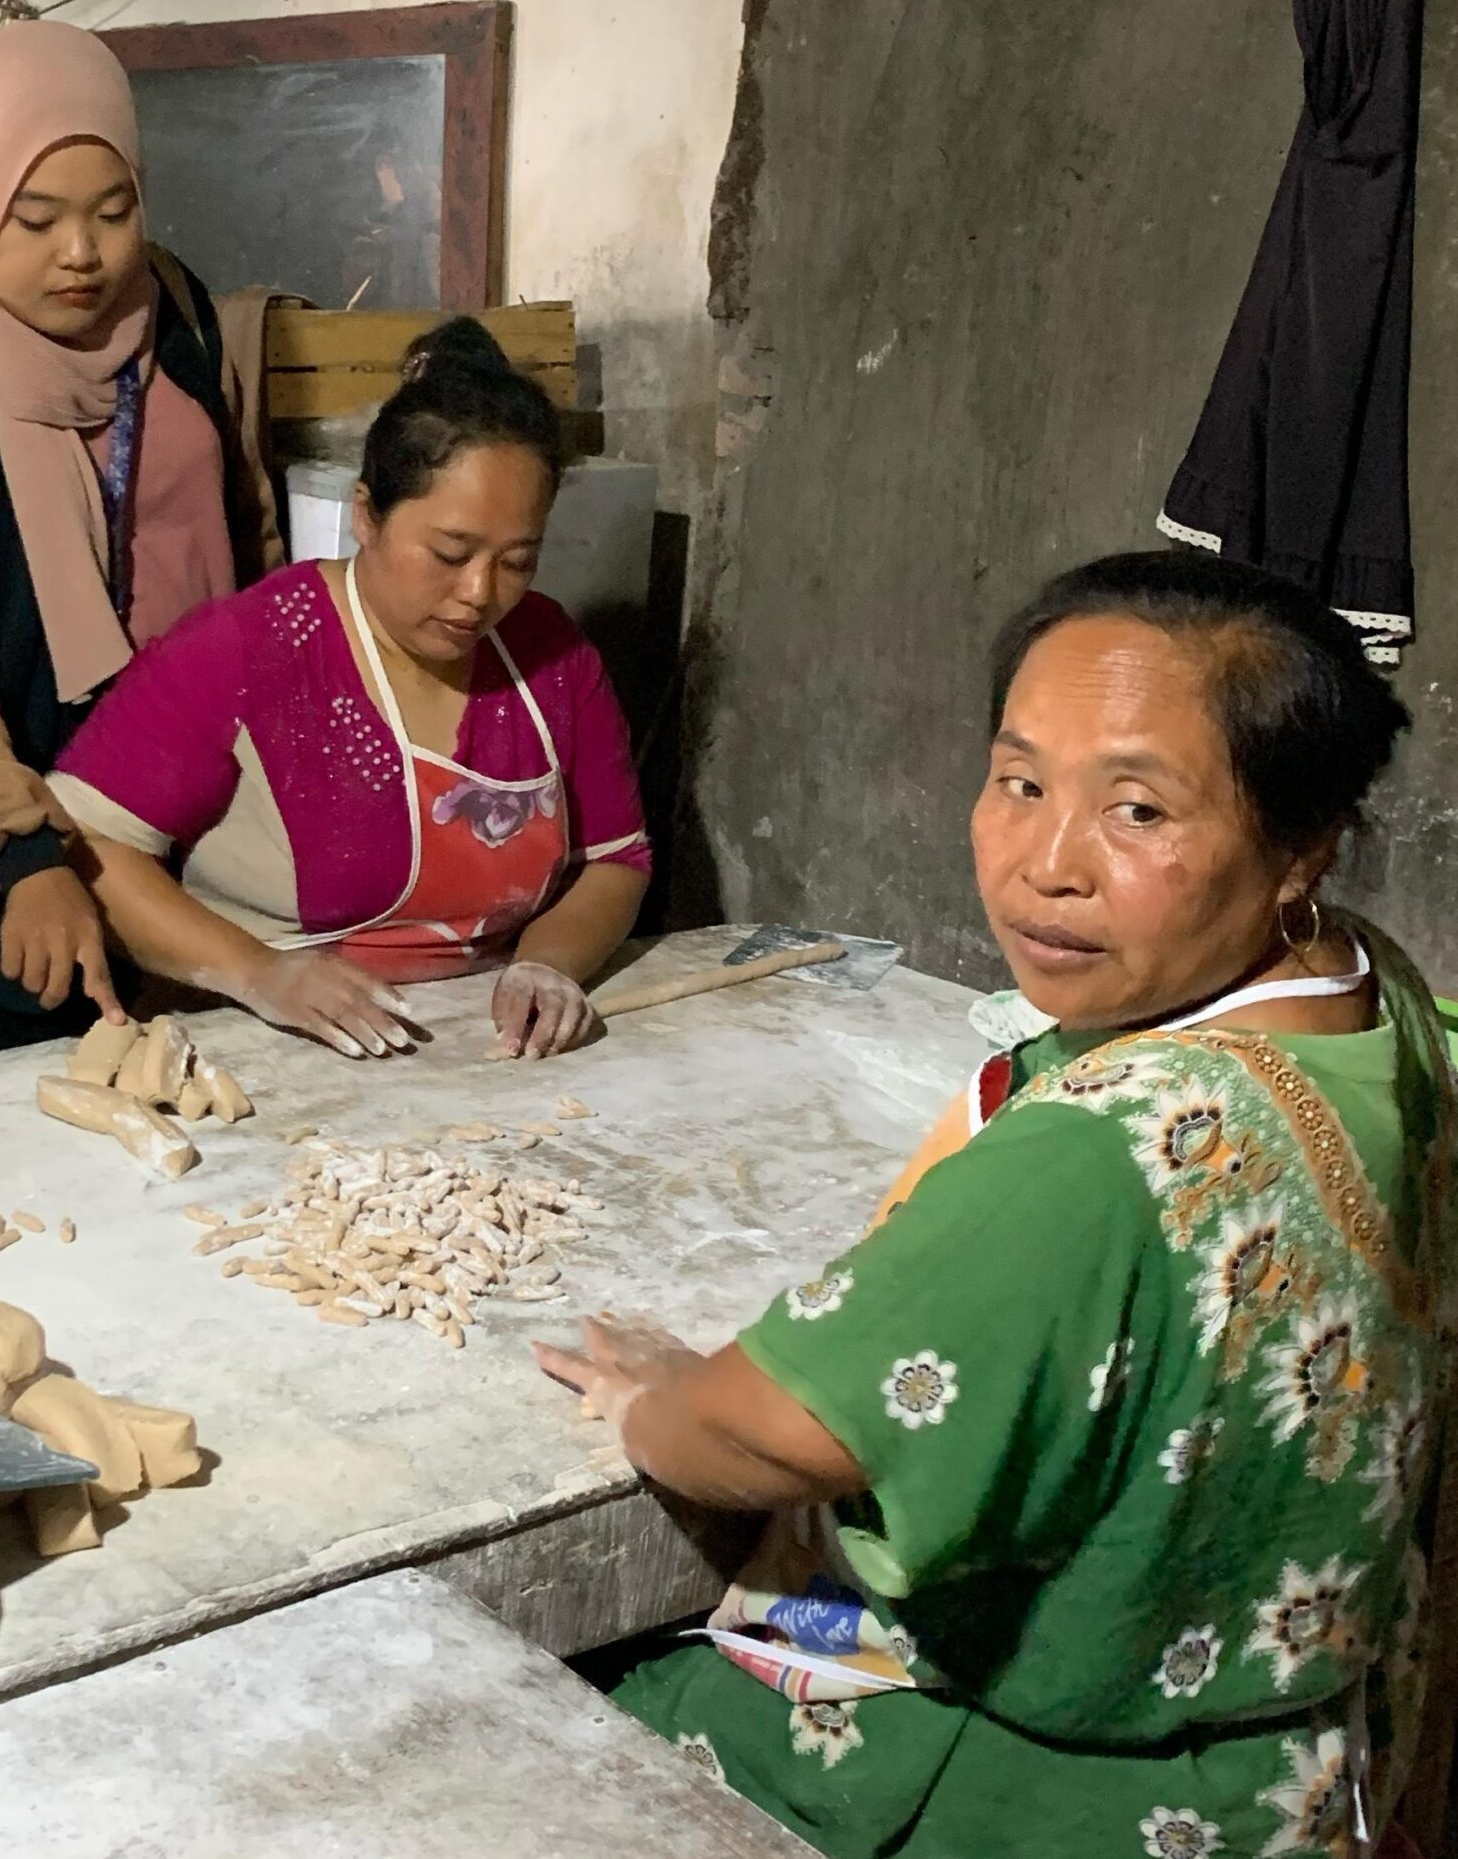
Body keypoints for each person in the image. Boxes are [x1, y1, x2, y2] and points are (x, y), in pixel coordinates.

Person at [539, 551, 1456, 1858]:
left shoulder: (1108, 1158)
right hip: (1303, 1768)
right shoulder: (1377, 982)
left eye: (1138, 811)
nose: (1046, 863)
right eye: (1020, 781)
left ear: (1301, 842)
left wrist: (660, 1397)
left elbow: (778, 1429)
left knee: (592, 1683)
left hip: (1043, 1772)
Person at [0, 18, 280, 1065]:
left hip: (189, 809)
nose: (82, 254)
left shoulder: (174, 311)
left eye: (113, 211)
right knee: (32, 1142)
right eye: (33, 220)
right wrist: (23, 852)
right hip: (8, 835)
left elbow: (243, 531)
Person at [48, 319, 650, 1063]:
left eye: (518, 560)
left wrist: (546, 966)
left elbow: (617, 859)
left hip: (474, 1045)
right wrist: (259, 973)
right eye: (449, 552)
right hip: (256, 1041)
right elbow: (93, 844)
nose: (479, 593)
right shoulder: (252, 648)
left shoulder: (550, 653)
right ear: (365, 514)